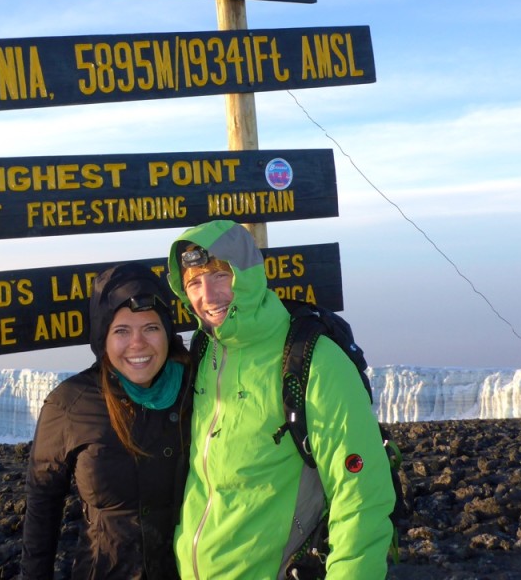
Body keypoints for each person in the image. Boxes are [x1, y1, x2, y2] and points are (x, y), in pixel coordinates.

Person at [167, 220, 395, 580]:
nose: (207, 296)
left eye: (221, 277)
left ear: (248, 275)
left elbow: (362, 498)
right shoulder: (204, 354)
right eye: (194, 282)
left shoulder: (312, 359)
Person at [21, 262, 193, 579]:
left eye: (151, 328)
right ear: (103, 337)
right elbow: (43, 504)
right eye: (121, 331)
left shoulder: (198, 388)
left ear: (167, 332)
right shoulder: (71, 403)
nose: (138, 344)